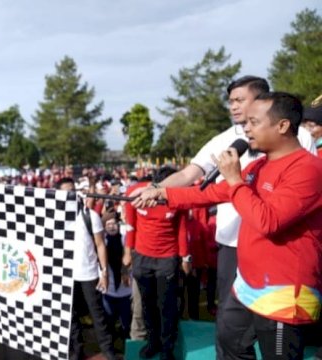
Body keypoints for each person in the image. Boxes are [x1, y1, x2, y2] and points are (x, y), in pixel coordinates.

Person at [133, 76, 317, 358]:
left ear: (282, 126)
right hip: (248, 284)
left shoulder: (307, 169)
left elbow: (269, 221)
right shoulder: (258, 165)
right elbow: (209, 194)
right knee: (229, 341)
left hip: (283, 290)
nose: (246, 130)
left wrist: (235, 180)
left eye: (254, 123)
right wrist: (161, 194)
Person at [123, 167, 190, 360]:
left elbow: (182, 230)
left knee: (167, 306)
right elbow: (130, 225)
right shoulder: (135, 194)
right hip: (142, 258)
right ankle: (153, 343)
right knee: (147, 304)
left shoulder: (180, 197)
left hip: (167, 259)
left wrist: (185, 257)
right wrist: (128, 251)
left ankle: (167, 347)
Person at [56, 178, 118, 360]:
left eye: (73, 190)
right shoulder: (54, 218)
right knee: (70, 316)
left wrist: (104, 272)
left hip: (89, 274)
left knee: (97, 314)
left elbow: (100, 245)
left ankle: (108, 350)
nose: (71, 194)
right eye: (67, 191)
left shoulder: (89, 215)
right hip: (66, 276)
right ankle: (76, 350)